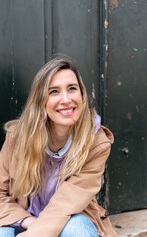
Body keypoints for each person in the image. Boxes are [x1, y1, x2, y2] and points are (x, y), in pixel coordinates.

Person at [0, 55, 118, 237]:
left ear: (81, 94)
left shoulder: (96, 143)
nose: (66, 99)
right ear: (40, 100)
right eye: (53, 91)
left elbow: (64, 205)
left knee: (77, 230)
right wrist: (28, 221)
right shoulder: (16, 137)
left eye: (72, 89)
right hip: (23, 218)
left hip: (68, 219)